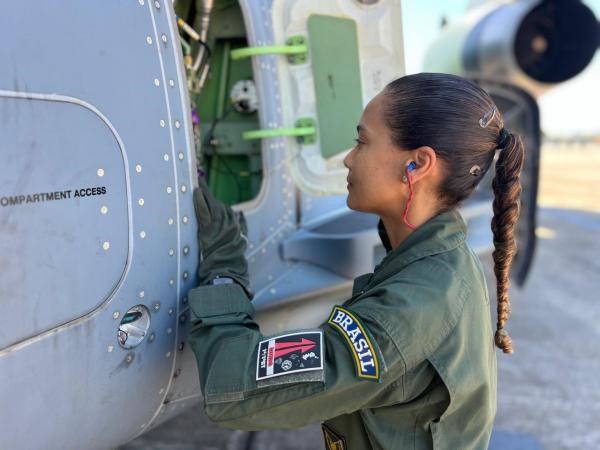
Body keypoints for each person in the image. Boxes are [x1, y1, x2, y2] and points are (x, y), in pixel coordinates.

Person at [187, 72, 525, 450]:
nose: (348, 159)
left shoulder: (414, 305)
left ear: (417, 164)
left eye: (362, 141)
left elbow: (234, 388)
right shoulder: (441, 262)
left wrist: (224, 270)